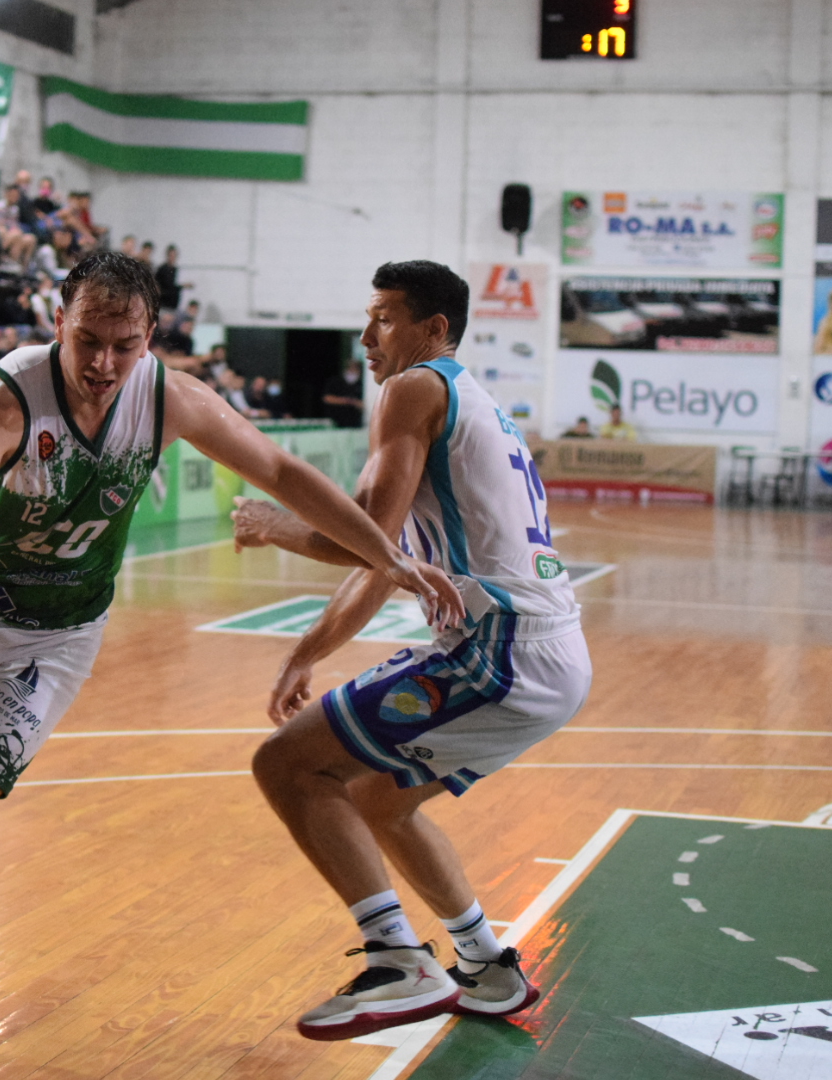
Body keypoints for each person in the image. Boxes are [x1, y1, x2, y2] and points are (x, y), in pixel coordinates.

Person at [0, 250, 458, 1041]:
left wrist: (384, 553)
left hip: (51, 640)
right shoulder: (5, 397)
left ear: (151, 335)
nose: (103, 362)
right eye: (88, 339)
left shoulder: (167, 398)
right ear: (59, 323)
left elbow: (282, 472)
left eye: (125, 344)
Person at [233, 260, 587, 1041]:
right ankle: (486, 964)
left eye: (385, 317)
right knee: (379, 799)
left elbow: (365, 534)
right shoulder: (476, 401)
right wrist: (308, 650)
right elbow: (385, 556)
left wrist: (274, 523)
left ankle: (396, 959)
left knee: (287, 765)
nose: (367, 335)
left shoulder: (414, 388)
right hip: (549, 654)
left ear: (434, 330)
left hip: (500, 650)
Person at [323, 357, 364, 428]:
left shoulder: (361, 384)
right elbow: (327, 398)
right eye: (350, 367)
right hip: (336, 421)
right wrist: (349, 401)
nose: (353, 370)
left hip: (355, 424)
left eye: (356, 368)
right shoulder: (335, 382)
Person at [155, 244, 181, 310]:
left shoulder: (175, 269)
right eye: (171, 255)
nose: (173, 257)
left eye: (174, 255)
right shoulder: (162, 269)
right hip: (163, 302)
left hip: (173, 303)